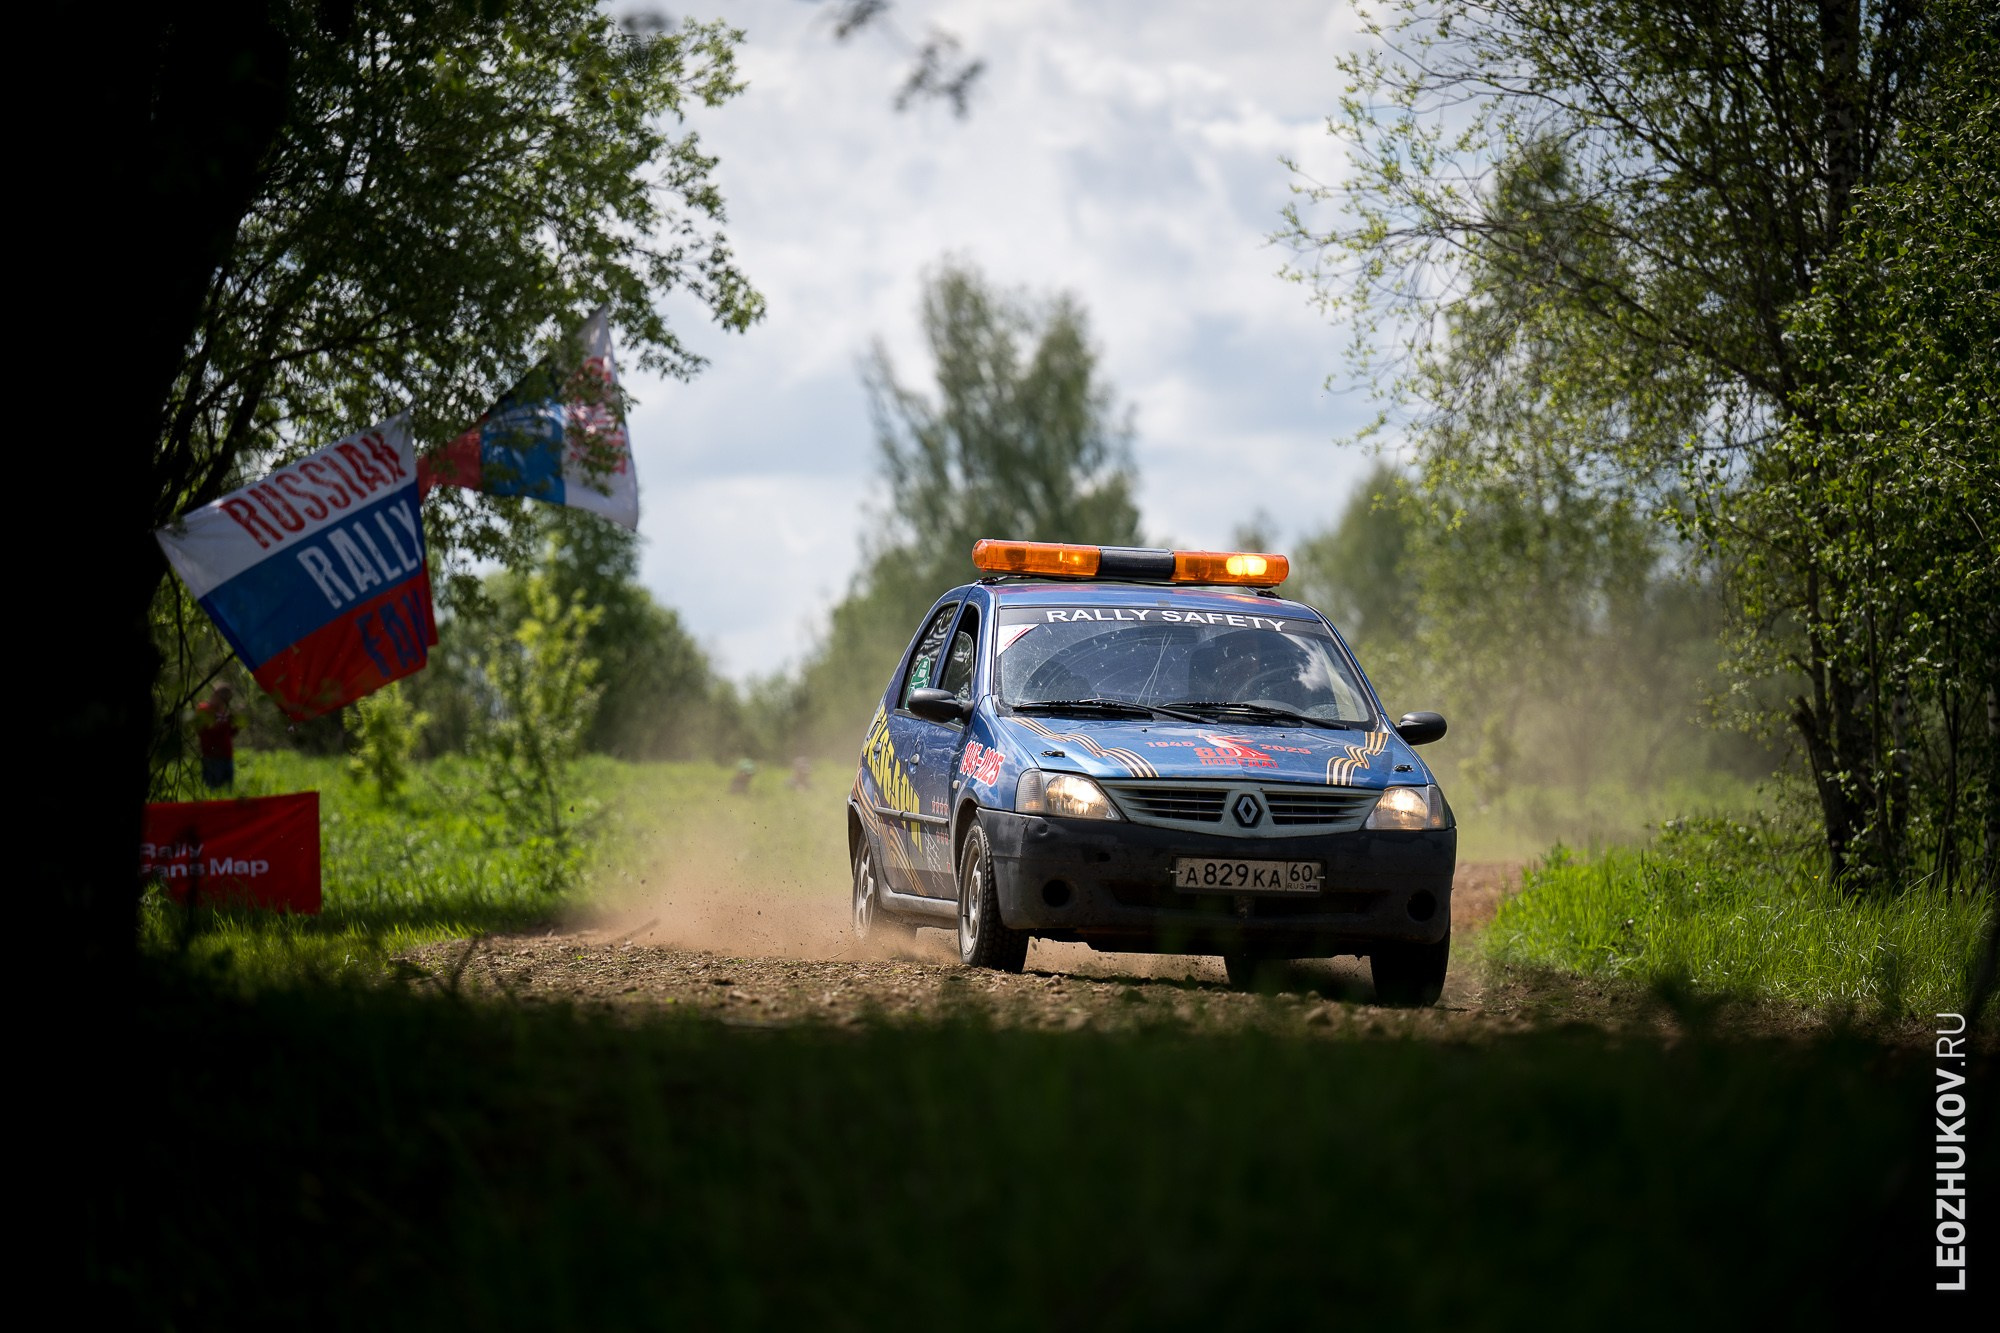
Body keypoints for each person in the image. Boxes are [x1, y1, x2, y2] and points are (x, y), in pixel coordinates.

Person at [194, 682, 239, 790]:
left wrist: (236, 724)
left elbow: (228, 734)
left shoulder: (223, 712)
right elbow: (208, 731)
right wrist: (227, 723)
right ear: (215, 695)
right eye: (222, 697)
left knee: (227, 791)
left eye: (226, 700)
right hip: (212, 757)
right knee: (213, 790)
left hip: (227, 756)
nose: (223, 702)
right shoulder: (204, 709)